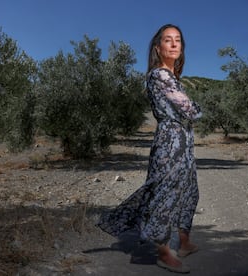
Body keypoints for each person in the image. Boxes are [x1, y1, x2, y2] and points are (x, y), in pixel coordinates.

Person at [98, 23, 202, 273]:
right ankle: (164, 253)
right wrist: (194, 109)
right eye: (168, 40)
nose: (175, 44)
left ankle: (184, 242)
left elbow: (186, 111)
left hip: (183, 141)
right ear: (158, 48)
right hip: (170, 141)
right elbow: (189, 110)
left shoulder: (171, 77)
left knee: (189, 190)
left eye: (178, 39)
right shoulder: (160, 76)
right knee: (164, 193)